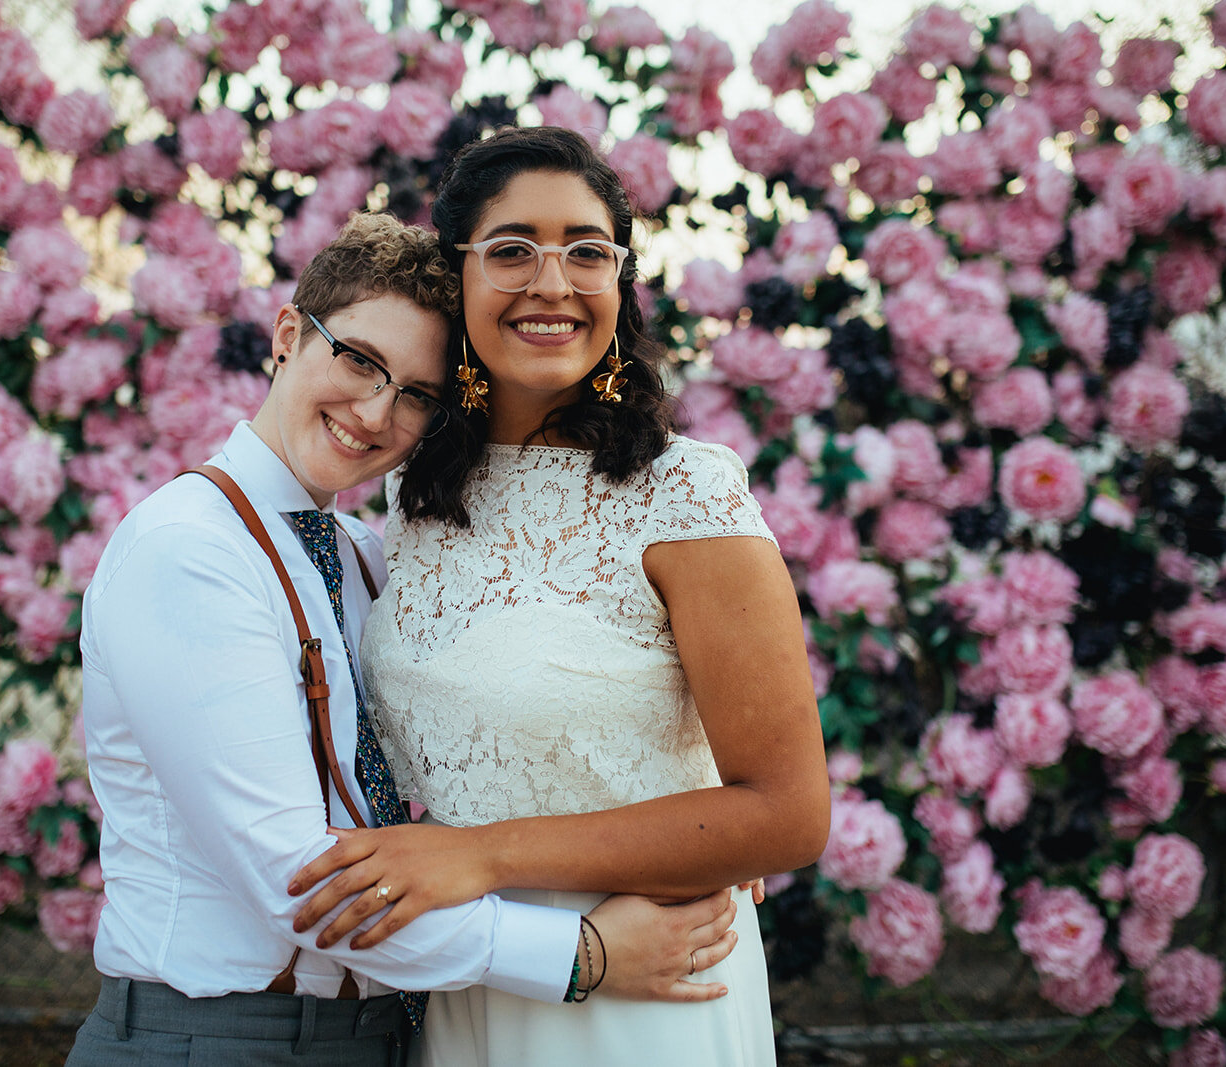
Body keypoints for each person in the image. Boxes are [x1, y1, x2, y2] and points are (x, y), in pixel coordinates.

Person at [66, 213, 744, 1067]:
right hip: (223, 1039)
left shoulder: (361, 559)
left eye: (418, 393)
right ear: (287, 335)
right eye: (358, 359)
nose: (375, 411)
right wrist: (582, 955)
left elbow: (507, 705)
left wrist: (695, 824)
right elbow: (303, 881)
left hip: (379, 1036)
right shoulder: (190, 553)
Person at [284, 128, 831, 1066]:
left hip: (646, 984)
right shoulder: (414, 497)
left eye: (587, 251)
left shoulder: (686, 494)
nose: (552, 283)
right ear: (457, 277)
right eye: (511, 251)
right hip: (473, 979)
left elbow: (787, 812)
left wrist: (483, 854)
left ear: (620, 282)